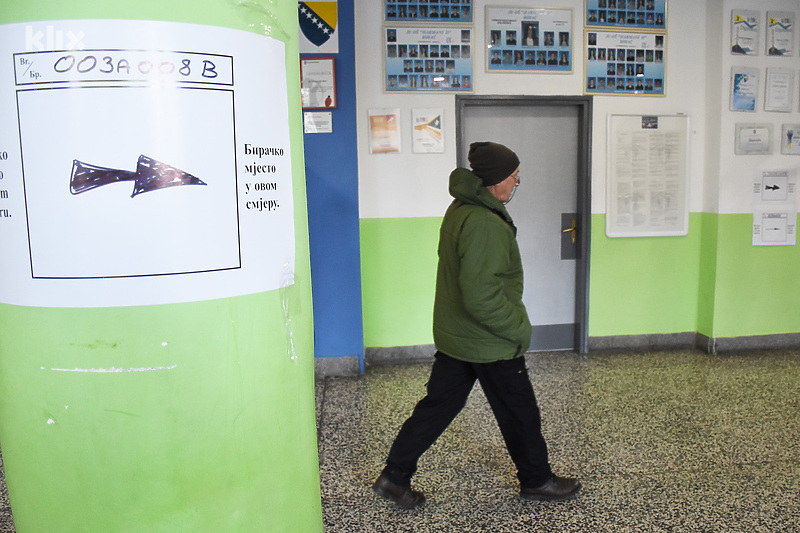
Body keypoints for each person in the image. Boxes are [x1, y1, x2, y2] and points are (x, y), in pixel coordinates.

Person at [372, 142, 582, 509]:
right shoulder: (485, 222)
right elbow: (481, 295)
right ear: (495, 180)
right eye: (513, 175)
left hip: (459, 337)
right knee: (520, 412)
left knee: (436, 408)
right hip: (489, 342)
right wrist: (518, 329)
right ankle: (537, 480)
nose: (517, 181)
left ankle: (394, 476)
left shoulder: (462, 208)